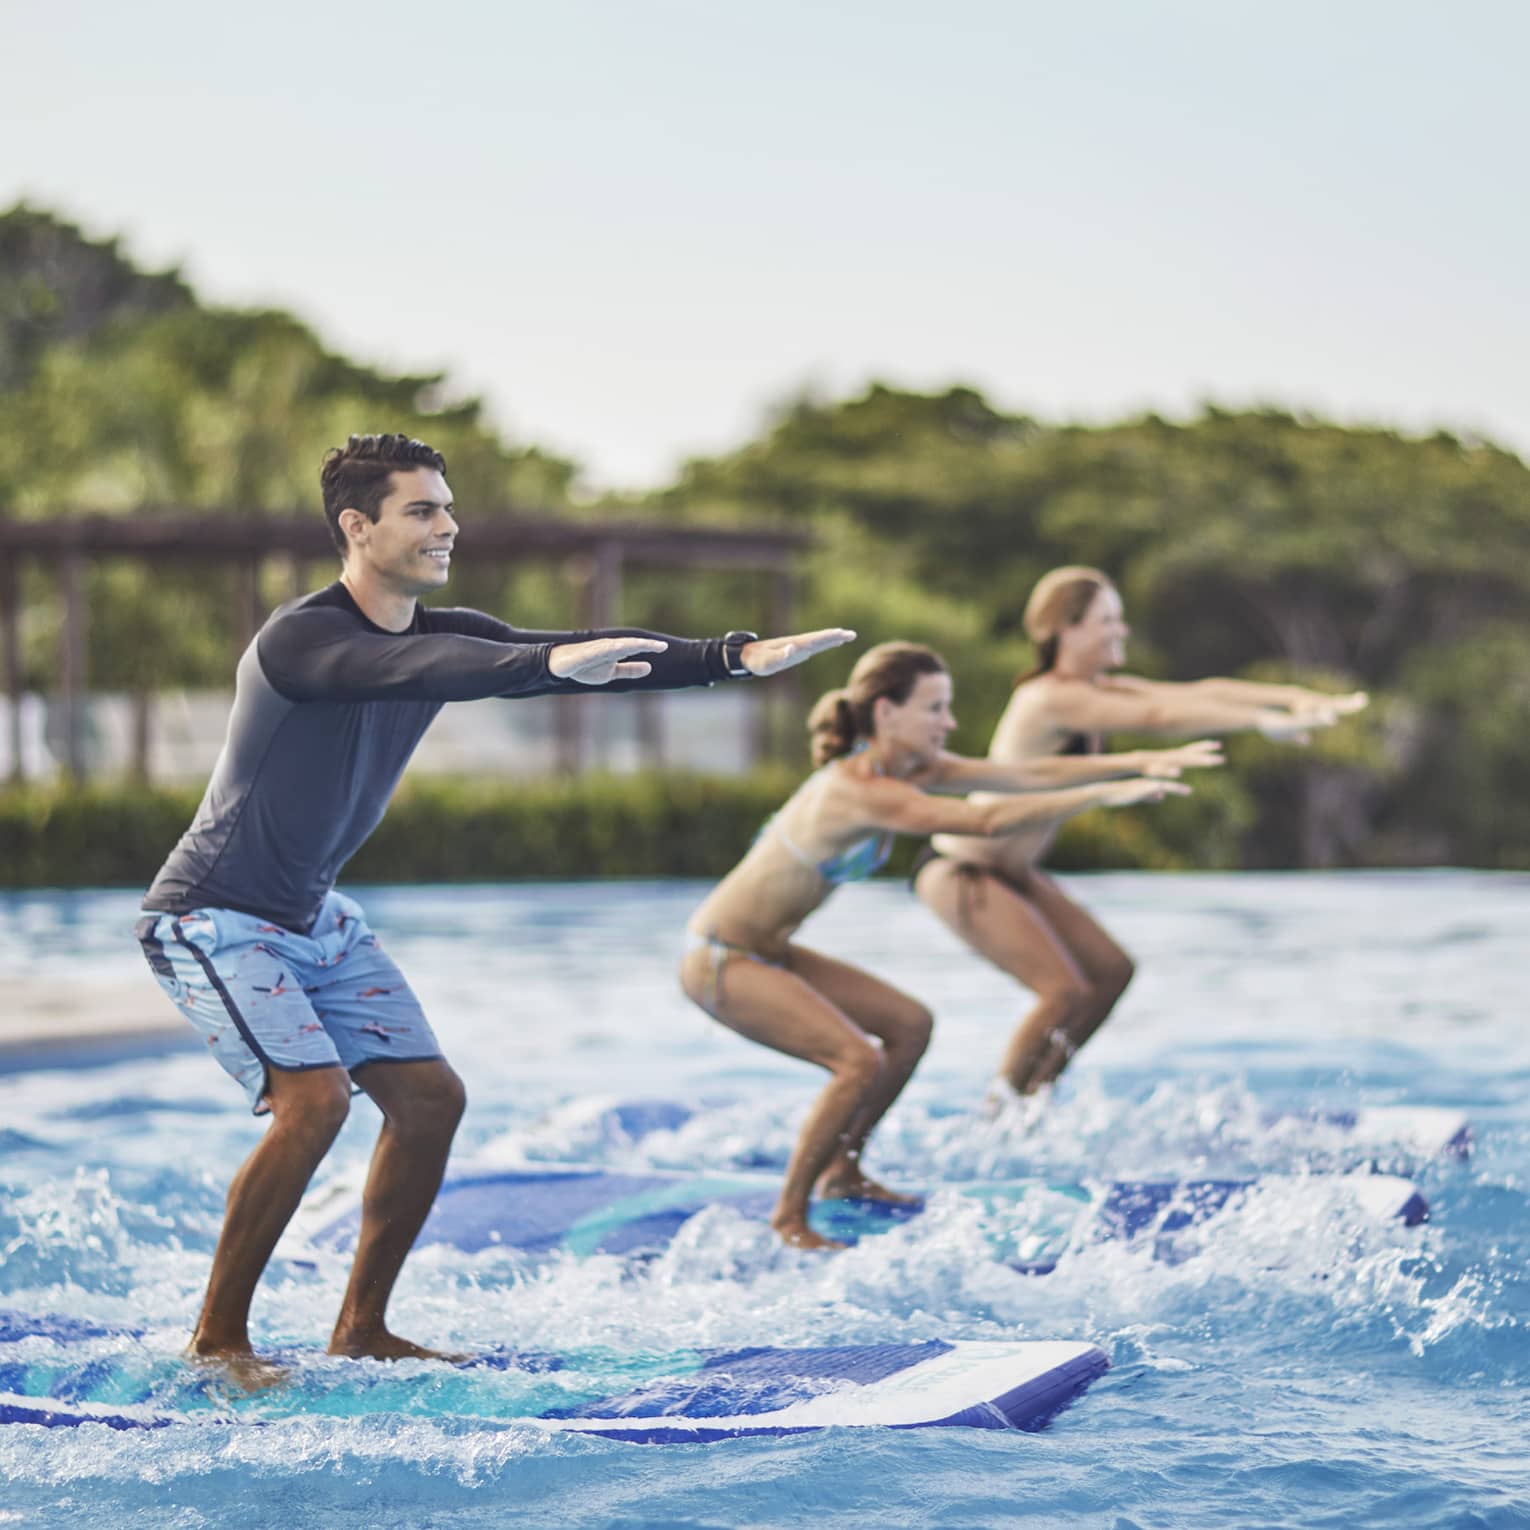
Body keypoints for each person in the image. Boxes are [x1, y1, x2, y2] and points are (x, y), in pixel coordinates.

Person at [134, 432, 855, 1388]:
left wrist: (735, 655)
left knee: (431, 1100)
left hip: (315, 917)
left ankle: (362, 1327)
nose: (448, 526)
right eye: (422, 510)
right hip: (212, 915)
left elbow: (569, 650)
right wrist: (547, 670)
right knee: (315, 1104)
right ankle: (219, 1341)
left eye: (448, 507)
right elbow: (424, 672)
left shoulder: (444, 627)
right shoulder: (303, 639)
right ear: (358, 526)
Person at [679, 640, 1219, 1250]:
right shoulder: (857, 790)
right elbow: (985, 821)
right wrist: (1103, 795)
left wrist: (1144, 761)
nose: (949, 723)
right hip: (721, 958)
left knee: (910, 1025)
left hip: (768, 950)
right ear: (886, 714)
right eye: (935, 708)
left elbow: (1022, 776)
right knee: (857, 1060)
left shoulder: (909, 770)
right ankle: (788, 1218)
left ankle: (843, 1170)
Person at [913, 564, 1370, 1102]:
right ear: (1067, 629)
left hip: (1012, 872)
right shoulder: (1049, 698)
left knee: (1110, 972)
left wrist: (1291, 700)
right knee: (1062, 990)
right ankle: (997, 1116)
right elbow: (1157, 716)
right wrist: (1260, 723)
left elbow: (1198, 692)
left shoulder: (1093, 688)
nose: (1120, 632)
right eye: (1108, 620)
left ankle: (1032, 1103)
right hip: (962, 871)